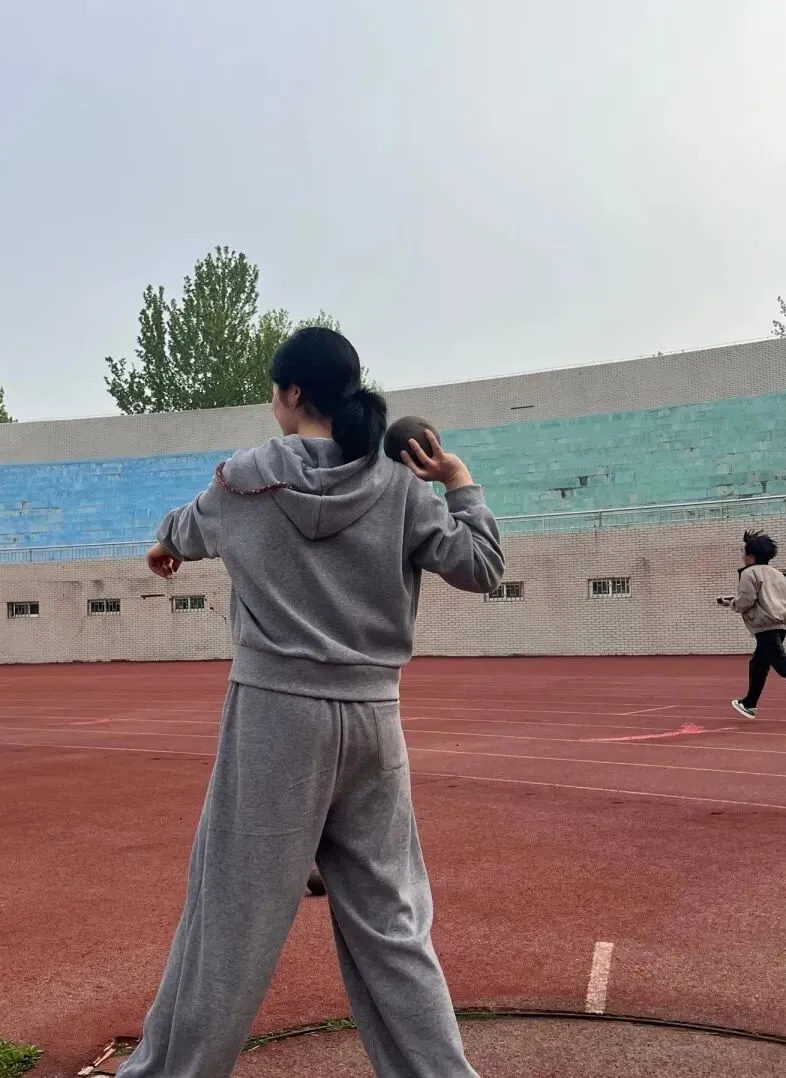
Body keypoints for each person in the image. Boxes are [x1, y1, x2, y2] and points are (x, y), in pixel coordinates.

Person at [118, 327, 503, 1078]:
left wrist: (165, 544)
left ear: (293, 393)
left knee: (232, 917)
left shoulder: (244, 480)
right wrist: (458, 480)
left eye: (275, 390)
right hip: (373, 722)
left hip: (275, 717)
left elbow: (186, 530)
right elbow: (482, 566)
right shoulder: (401, 486)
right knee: (391, 925)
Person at [718, 529, 786, 718]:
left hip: (766, 625)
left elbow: (746, 601)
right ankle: (749, 704)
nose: (741, 554)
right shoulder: (777, 574)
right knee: (759, 663)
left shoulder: (749, 573)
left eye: (743, 551)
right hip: (781, 623)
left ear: (751, 556)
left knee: (783, 665)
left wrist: (731, 603)